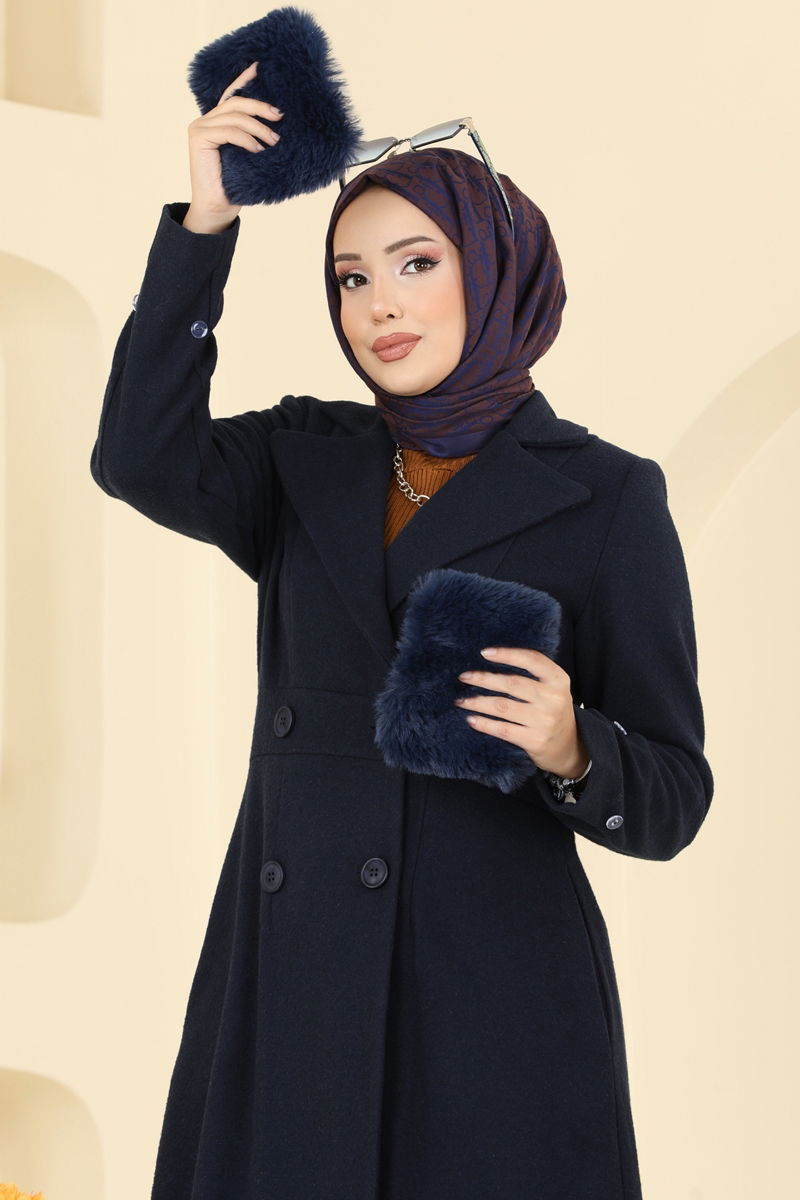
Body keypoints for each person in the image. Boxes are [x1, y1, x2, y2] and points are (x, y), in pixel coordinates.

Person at [90, 60, 713, 1200]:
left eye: (416, 264)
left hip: (490, 1016)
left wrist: (571, 743)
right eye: (351, 277)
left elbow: (673, 794)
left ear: (492, 268)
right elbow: (137, 458)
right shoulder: (303, 458)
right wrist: (205, 221)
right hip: (293, 991)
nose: (378, 304)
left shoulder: (607, 496)